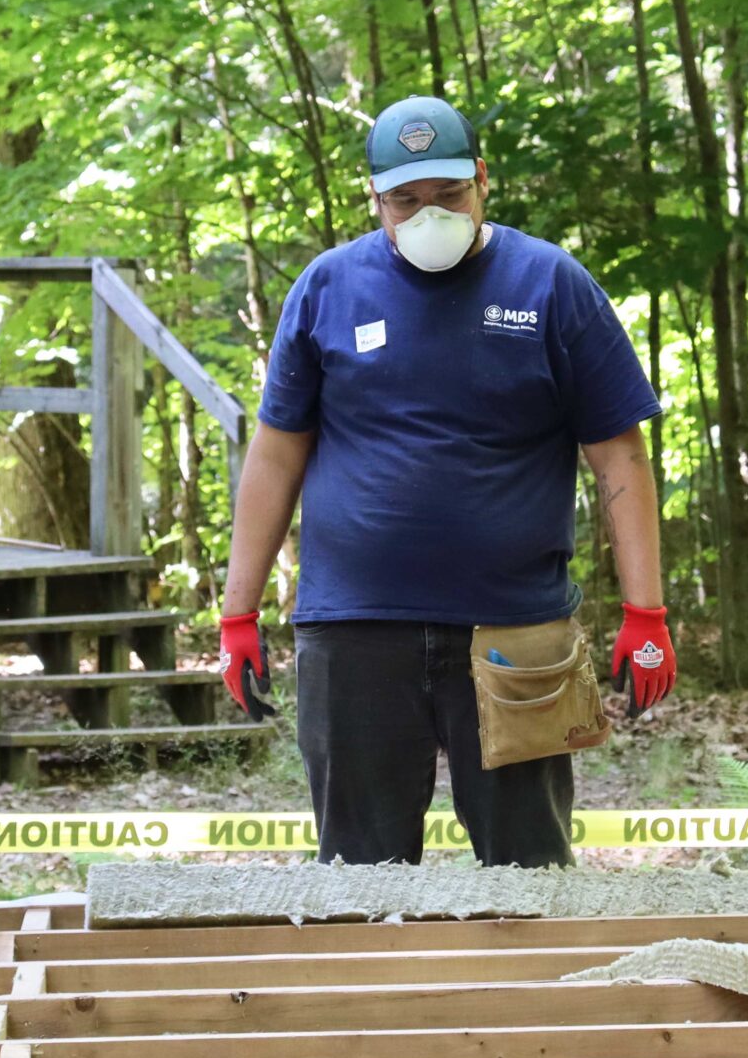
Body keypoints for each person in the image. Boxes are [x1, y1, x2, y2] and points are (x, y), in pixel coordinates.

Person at [216, 95, 675, 867]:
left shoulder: (551, 285)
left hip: (514, 633)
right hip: (354, 632)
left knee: (531, 876)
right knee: (357, 884)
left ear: (482, 181)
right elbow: (275, 456)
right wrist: (237, 616)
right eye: (406, 200)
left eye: (448, 196)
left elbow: (619, 456)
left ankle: (533, 990)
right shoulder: (327, 289)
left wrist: (647, 611)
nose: (429, 214)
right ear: (377, 199)